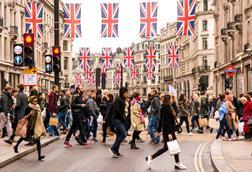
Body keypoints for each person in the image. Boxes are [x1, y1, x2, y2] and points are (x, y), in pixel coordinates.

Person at [145, 94, 187, 170]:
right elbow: (166, 122)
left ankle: (177, 163)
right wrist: (169, 133)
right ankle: (150, 157)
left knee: (171, 147)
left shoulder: (165, 107)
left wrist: (158, 130)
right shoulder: (167, 108)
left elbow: (161, 120)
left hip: (168, 131)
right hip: (168, 131)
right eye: (171, 98)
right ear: (169, 99)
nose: (172, 100)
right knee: (169, 147)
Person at [14, 96, 46, 161]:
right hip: (29, 125)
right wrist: (29, 114)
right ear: (31, 101)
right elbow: (25, 116)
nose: (35, 103)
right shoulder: (28, 107)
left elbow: (40, 113)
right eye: (34, 101)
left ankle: (39, 156)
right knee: (24, 137)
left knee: (38, 140)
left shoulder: (38, 106)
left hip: (36, 125)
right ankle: (16, 146)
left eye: (36, 101)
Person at [109, 87, 128, 158]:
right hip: (116, 119)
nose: (127, 94)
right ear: (123, 92)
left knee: (119, 135)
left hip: (120, 119)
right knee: (123, 134)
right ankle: (113, 148)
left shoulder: (122, 99)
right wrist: (123, 118)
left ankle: (116, 151)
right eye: (126, 93)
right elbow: (118, 111)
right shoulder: (118, 99)